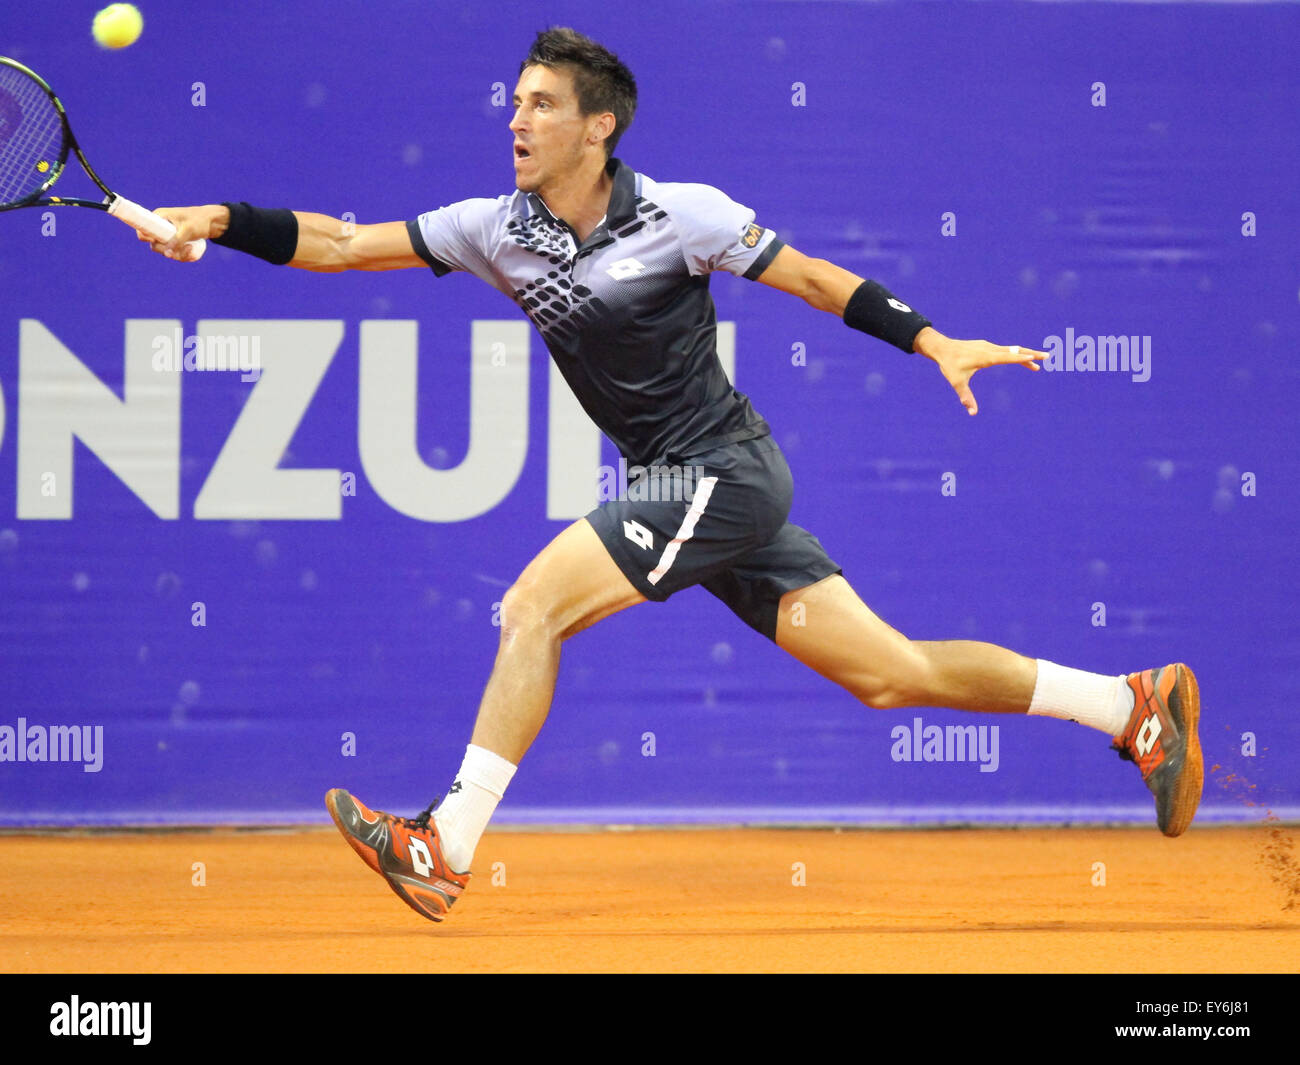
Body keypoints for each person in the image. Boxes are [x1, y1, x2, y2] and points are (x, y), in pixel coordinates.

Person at [144, 27, 1202, 924]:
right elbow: (337, 245)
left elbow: (814, 281)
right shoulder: (491, 231)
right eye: (514, 102)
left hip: (724, 471)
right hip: (685, 483)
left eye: (542, 106)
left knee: (530, 609)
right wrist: (221, 222)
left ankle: (445, 845)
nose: (516, 121)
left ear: (596, 128)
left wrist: (931, 340)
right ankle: (1127, 705)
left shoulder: (680, 214)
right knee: (893, 675)